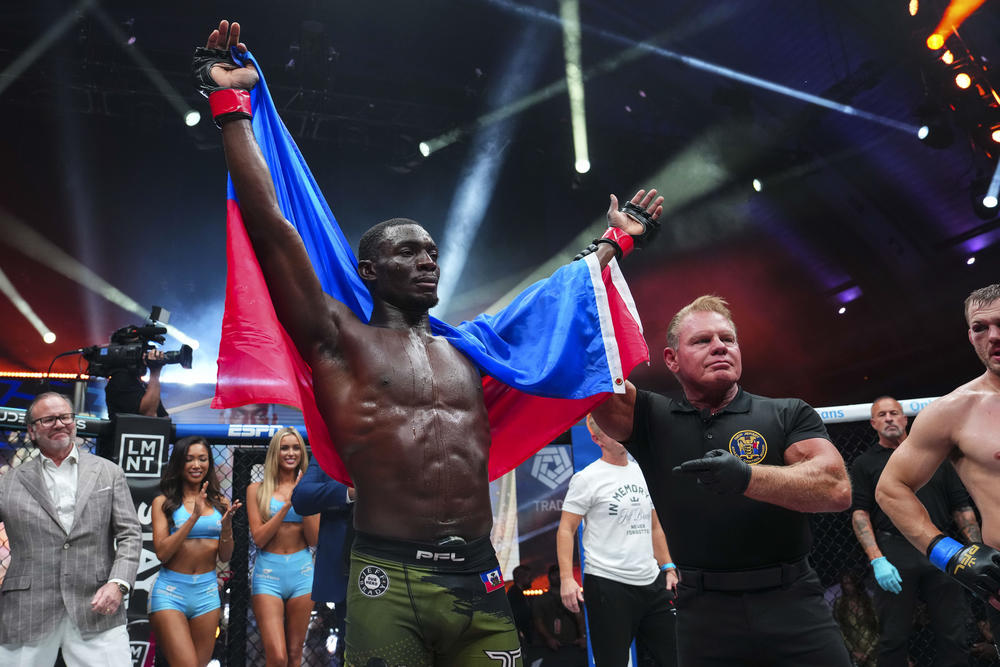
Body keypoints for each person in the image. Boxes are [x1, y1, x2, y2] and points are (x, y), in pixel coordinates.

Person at [195, 19, 662, 667]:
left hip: (479, 575)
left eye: (433, 252)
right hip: (390, 576)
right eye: (408, 252)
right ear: (369, 270)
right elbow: (274, 228)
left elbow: (554, 303)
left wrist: (616, 243)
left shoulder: (471, 349)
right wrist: (230, 108)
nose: (428, 261)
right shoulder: (340, 341)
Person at [592, 294, 853, 666]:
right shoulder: (650, 417)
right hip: (703, 614)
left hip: (793, 602)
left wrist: (747, 477)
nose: (719, 347)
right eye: (702, 340)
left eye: (728, 339)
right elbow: (592, 374)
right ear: (672, 359)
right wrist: (593, 278)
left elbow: (836, 489)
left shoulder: (786, 412)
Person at [877, 284, 1000, 650]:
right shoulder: (954, 411)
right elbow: (890, 488)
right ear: (971, 337)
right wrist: (950, 555)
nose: (994, 336)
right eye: (981, 327)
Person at [0, 391, 142, 666]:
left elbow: (130, 534)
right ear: (31, 430)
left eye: (65, 417)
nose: (59, 424)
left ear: (74, 422)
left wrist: (118, 583)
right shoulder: (8, 482)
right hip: (27, 609)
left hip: (97, 606)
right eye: (48, 419)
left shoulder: (109, 472)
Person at [851, 395, 977, 667]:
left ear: (905, 418)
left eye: (894, 413)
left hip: (941, 544)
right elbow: (860, 513)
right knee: (893, 636)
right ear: (873, 423)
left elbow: (961, 506)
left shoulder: (936, 457)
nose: (889, 419)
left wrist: (975, 550)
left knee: (954, 632)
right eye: (882, 415)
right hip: (895, 549)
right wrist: (877, 558)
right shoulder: (865, 463)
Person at [557, 414, 677, 667]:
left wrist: (667, 566)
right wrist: (567, 579)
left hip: (651, 581)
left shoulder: (641, 471)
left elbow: (654, 526)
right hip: (608, 583)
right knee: (612, 662)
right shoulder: (587, 478)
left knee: (674, 657)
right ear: (596, 439)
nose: (619, 433)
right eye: (610, 430)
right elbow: (566, 529)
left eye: (619, 427)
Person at [149, 435, 242, 667]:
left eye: (202, 459)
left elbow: (225, 555)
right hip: (171, 592)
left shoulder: (220, 502)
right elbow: (162, 553)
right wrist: (193, 518)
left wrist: (227, 527)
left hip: (206, 592)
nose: (196, 465)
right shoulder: (163, 502)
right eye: (189, 459)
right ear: (179, 463)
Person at [247, 427, 319, 667]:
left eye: (296, 448)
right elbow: (259, 538)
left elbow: (313, 539)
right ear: (274, 453)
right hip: (268, 573)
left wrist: (303, 497)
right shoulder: (256, 490)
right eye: (284, 448)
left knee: (295, 653)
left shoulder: (310, 489)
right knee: (277, 657)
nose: (291, 453)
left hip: (302, 572)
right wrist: (288, 504)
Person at [290, 454, 354, 665]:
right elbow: (302, 497)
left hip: (392, 563)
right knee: (350, 650)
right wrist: (350, 492)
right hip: (345, 571)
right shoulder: (329, 453)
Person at [533, 565, 587, 658]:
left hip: (572, 644)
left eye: (561, 574)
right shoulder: (541, 600)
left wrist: (583, 637)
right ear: (549, 577)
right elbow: (538, 622)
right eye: (555, 574)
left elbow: (580, 618)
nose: (558, 576)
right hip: (550, 646)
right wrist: (549, 639)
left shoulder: (573, 597)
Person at [832, 571, 879, 667]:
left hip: (873, 649)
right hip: (852, 649)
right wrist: (852, 651)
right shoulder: (839, 604)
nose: (848, 587)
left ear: (856, 584)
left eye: (850, 583)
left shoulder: (869, 602)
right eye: (845, 584)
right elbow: (839, 630)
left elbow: (878, 627)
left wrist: (869, 651)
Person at [105, 349, 168, 418]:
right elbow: (148, 415)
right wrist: (155, 374)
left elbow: (164, 418)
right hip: (130, 425)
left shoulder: (144, 385)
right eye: (142, 354)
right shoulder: (119, 380)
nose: (144, 357)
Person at [507, 565, 535, 647]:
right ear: (520, 578)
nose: (532, 580)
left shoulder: (515, 593)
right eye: (529, 577)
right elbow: (520, 618)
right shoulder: (515, 594)